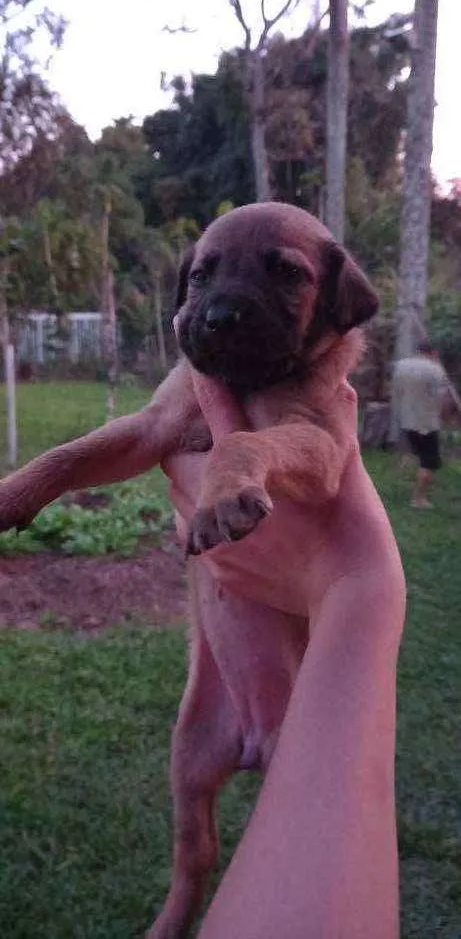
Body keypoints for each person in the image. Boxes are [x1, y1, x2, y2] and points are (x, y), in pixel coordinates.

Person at [162, 368, 406, 939]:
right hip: (220, 687)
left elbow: (319, 454)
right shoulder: (193, 384)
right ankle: (180, 901)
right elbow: (143, 431)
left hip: (292, 688)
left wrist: (358, 585)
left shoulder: (314, 394)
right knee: (190, 805)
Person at [391, 341, 449, 509]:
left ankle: (413, 471)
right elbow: (442, 399)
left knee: (419, 453)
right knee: (428, 462)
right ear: (433, 353)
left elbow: (397, 392)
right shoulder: (435, 369)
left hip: (407, 420)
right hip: (427, 423)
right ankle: (419, 499)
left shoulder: (401, 366)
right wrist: (444, 418)